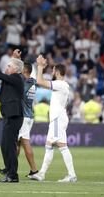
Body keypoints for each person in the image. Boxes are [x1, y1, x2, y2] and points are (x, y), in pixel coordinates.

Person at [31, 55, 77, 183]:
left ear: (57, 72)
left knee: (62, 146)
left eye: (53, 70)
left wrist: (40, 67)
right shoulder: (62, 85)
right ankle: (42, 173)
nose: (51, 72)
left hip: (58, 119)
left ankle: (72, 174)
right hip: (57, 118)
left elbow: (40, 82)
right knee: (49, 145)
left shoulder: (60, 84)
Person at [0, 49, 24, 183]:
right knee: (5, 145)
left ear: (16, 69)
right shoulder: (14, 77)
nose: (6, 68)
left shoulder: (16, 77)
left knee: (10, 146)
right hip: (10, 115)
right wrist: (14, 58)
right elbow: (4, 75)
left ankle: (13, 175)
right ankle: (9, 171)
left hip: (14, 115)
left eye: (9, 66)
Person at [12, 49, 38, 178]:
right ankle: (11, 167)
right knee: (18, 143)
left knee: (25, 141)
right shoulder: (31, 81)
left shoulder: (27, 82)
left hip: (24, 116)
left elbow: (19, 91)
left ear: (24, 71)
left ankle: (34, 170)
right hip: (27, 115)